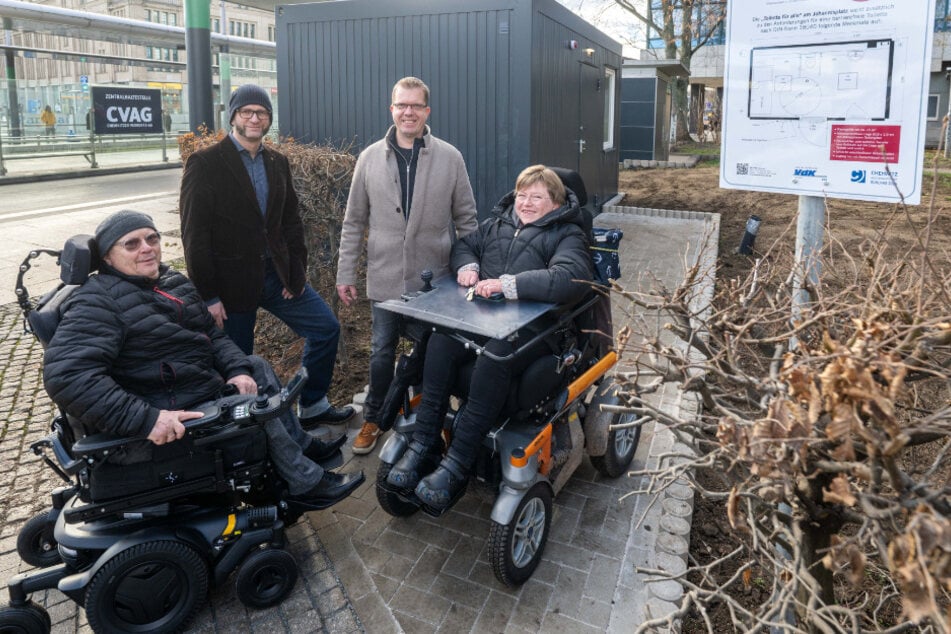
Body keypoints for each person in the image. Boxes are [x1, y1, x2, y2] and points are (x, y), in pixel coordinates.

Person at [42, 210, 364, 507]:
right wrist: (146, 419)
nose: (147, 248)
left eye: (152, 238)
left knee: (255, 368)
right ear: (108, 256)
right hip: (166, 406)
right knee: (250, 405)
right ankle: (303, 485)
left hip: (190, 382)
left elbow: (211, 335)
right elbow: (67, 376)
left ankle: (300, 448)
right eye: (132, 244)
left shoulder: (169, 282)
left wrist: (236, 369)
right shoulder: (99, 301)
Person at [385, 165, 594, 509]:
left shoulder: (566, 234)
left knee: (494, 356)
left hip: (535, 331)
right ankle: (423, 445)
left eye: (536, 197)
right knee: (440, 340)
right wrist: (466, 265)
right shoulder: (499, 223)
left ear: (555, 203)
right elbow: (465, 246)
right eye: (522, 195)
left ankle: (457, 463)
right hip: (482, 320)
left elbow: (570, 278)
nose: (525, 203)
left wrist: (508, 284)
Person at [180, 84, 355, 430]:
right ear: (233, 117)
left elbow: (291, 224)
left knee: (325, 328)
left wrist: (296, 274)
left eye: (261, 112)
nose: (255, 118)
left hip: (275, 277)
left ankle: (312, 403)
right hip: (230, 289)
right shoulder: (205, 163)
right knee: (239, 364)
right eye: (247, 112)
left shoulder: (278, 162)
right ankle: (246, 430)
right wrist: (209, 296)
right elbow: (194, 236)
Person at [336, 76, 478, 455]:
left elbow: (467, 221)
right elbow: (353, 222)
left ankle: (431, 417)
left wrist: (474, 268)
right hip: (384, 278)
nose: (408, 112)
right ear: (392, 109)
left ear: (427, 111)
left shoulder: (450, 157)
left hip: (435, 283)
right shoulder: (368, 159)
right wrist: (345, 273)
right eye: (402, 105)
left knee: (433, 354)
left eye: (416, 105)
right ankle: (374, 418)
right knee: (381, 351)